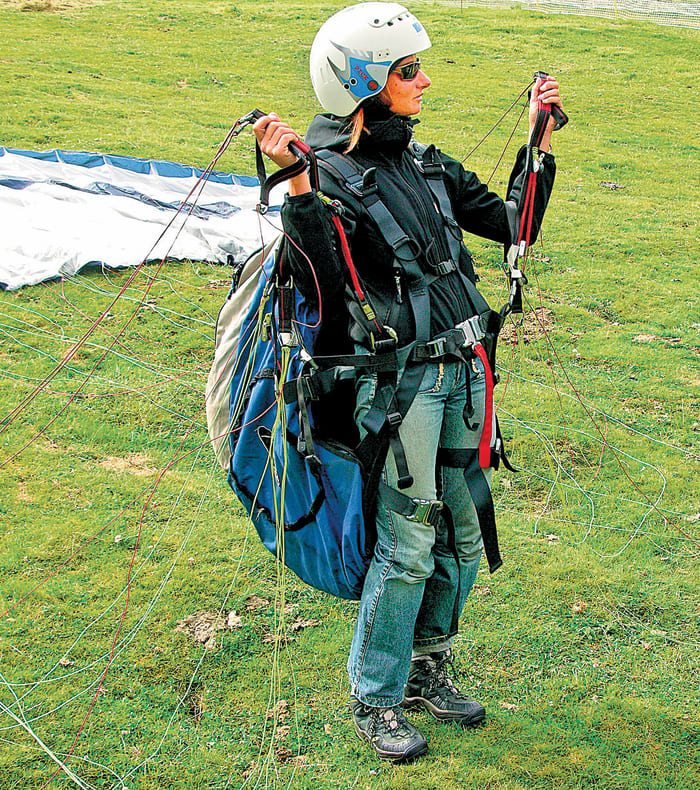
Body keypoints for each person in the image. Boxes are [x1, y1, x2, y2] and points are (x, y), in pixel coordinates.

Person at [253, 1, 561, 763]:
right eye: (407, 70)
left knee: (460, 530)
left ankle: (428, 664)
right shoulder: (327, 178)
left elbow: (516, 223)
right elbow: (323, 288)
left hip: (466, 373)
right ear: (361, 84)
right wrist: (296, 190)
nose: (425, 81)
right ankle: (377, 696)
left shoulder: (423, 164)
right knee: (410, 542)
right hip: (403, 394)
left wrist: (537, 142)